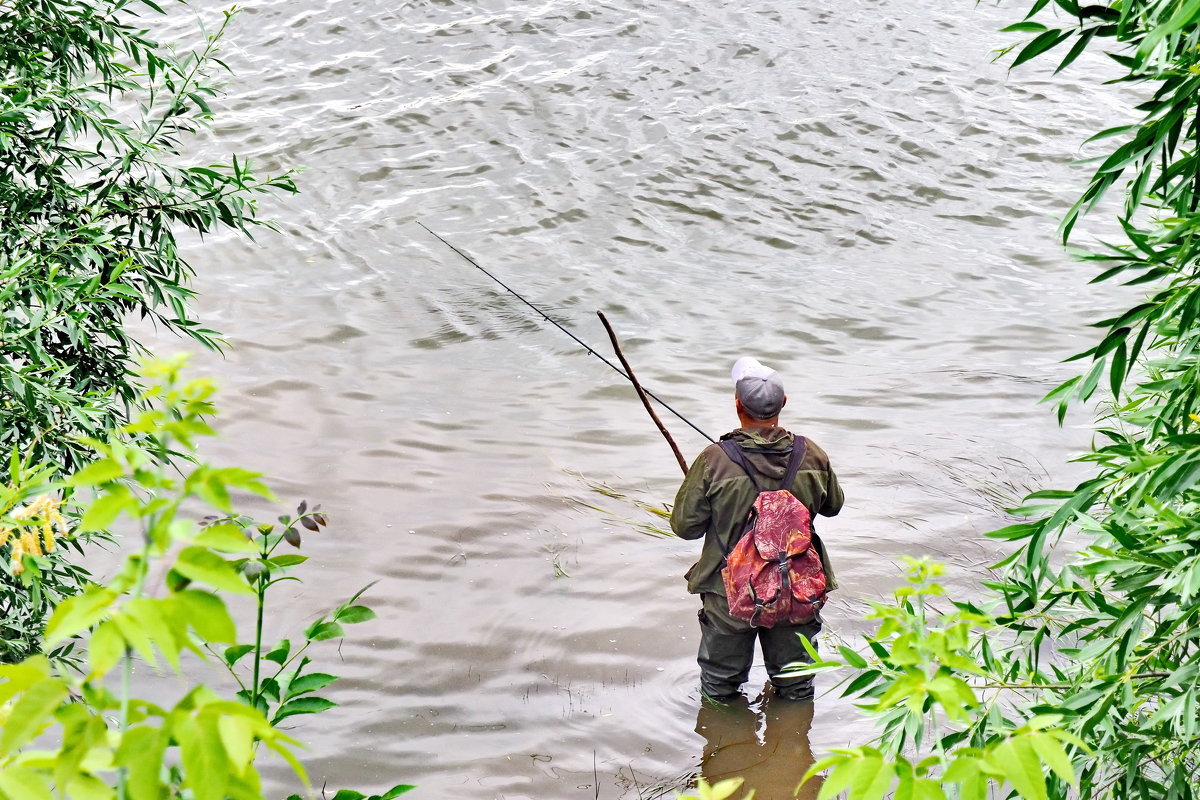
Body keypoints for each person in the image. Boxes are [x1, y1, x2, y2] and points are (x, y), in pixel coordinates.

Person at [670, 357, 843, 702]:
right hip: (796, 589)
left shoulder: (713, 460)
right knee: (797, 685)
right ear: (783, 404)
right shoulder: (812, 455)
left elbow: (685, 527)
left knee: (720, 687)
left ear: (738, 405)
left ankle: (727, 745)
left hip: (730, 593)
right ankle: (793, 747)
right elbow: (833, 506)